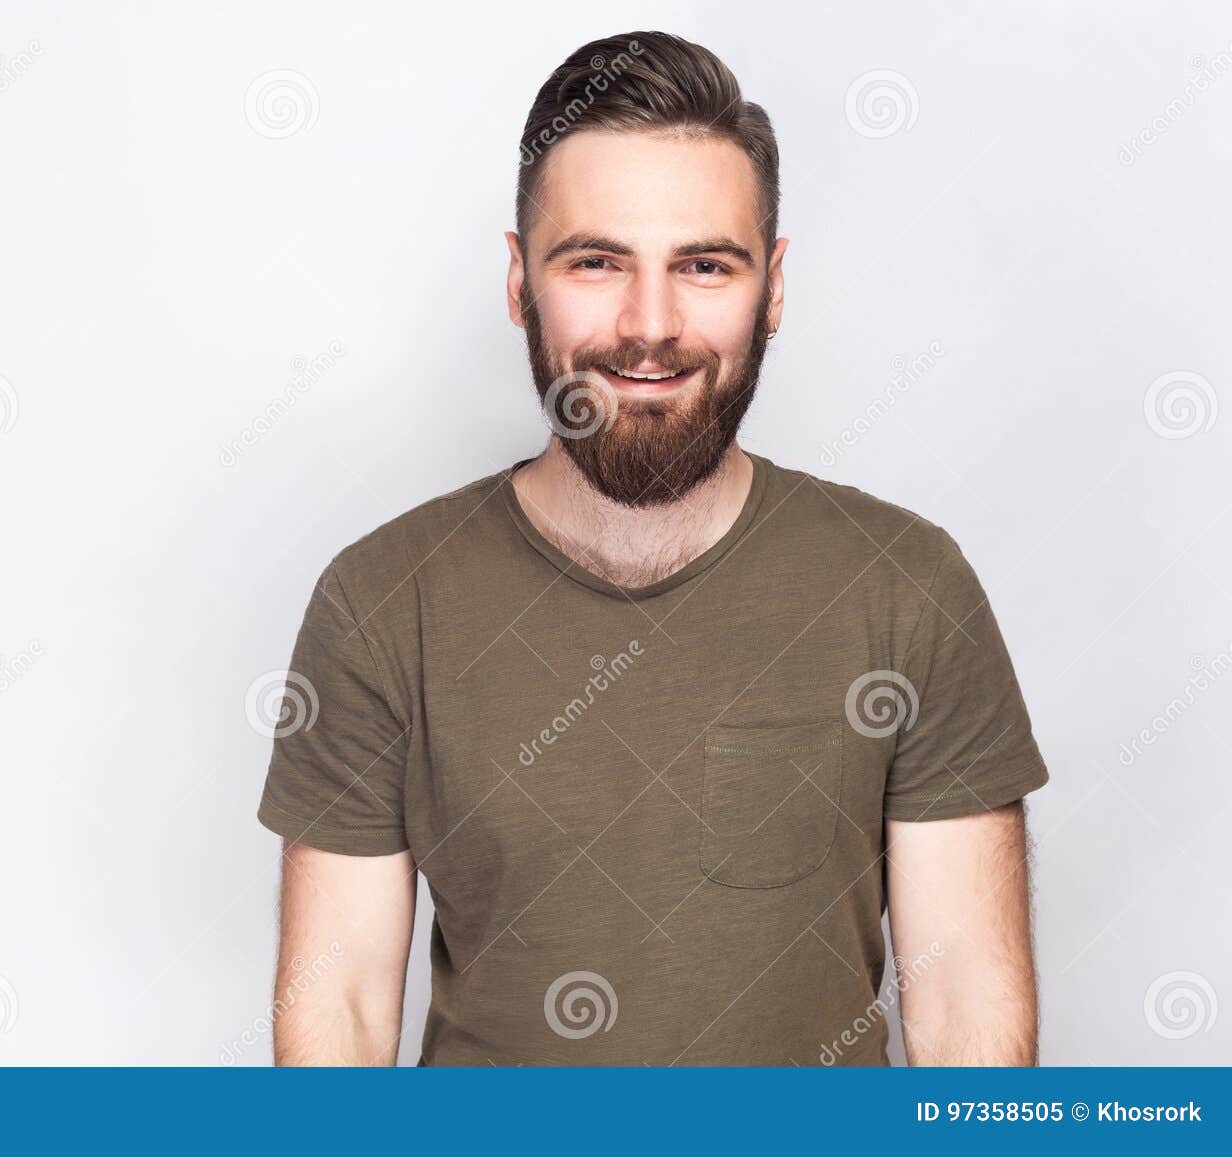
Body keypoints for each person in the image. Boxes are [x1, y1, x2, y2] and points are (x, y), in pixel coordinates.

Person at [255, 30, 1049, 1066]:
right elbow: (342, 1012)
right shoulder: (380, 599)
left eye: (704, 264)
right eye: (595, 260)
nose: (648, 324)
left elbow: (966, 1018)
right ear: (516, 280)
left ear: (771, 286)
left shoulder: (906, 587)